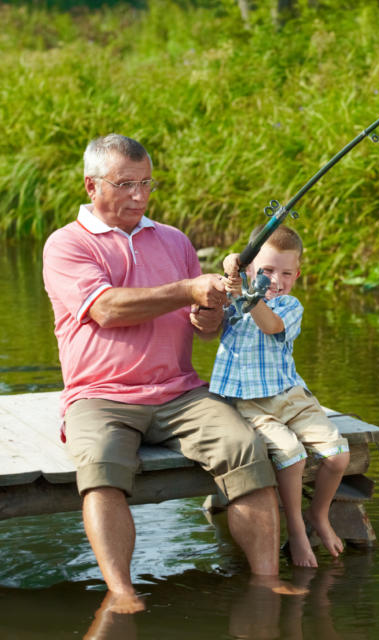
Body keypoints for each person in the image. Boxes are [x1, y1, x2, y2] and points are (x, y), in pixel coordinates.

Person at [42, 134, 290, 615]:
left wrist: (208, 311)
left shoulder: (173, 240)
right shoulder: (66, 245)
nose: (139, 195)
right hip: (100, 395)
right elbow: (108, 309)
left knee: (245, 447)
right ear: (92, 185)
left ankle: (267, 581)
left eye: (146, 183)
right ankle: (122, 592)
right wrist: (187, 289)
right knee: (100, 468)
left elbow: (203, 327)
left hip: (180, 392)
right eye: (126, 184)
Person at [210, 225, 350, 568]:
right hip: (250, 404)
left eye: (286, 273)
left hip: (291, 396)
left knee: (338, 455)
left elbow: (270, 325)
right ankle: (298, 531)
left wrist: (248, 291)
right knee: (292, 454)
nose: (276, 279)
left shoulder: (290, 306)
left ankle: (318, 515)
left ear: (297, 275)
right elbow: (209, 313)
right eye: (268, 270)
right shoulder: (233, 300)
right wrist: (231, 271)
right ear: (252, 269)